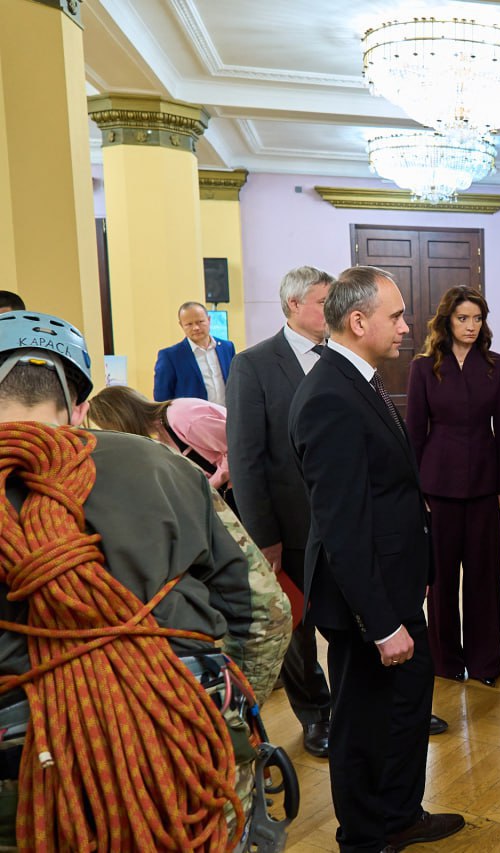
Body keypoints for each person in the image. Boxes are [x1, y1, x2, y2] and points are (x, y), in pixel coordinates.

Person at [0, 310, 289, 847]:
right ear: (83, 408)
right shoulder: (162, 465)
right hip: (188, 739)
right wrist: (224, 700)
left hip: (31, 772)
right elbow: (266, 612)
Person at [289, 266, 462, 852]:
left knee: (407, 708)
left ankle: (400, 815)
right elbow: (342, 526)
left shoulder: (355, 380)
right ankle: (363, 837)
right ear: (358, 321)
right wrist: (382, 622)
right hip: (370, 603)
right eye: (396, 316)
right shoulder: (330, 395)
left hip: (396, 587)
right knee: (363, 725)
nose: (407, 327)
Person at [225, 266, 353, 759]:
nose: (331, 311)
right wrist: (264, 536)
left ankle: (351, 705)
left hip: (342, 520)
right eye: (324, 302)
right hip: (290, 526)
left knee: (346, 618)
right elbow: (246, 456)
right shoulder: (255, 364)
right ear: (293, 305)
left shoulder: (342, 356)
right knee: (297, 631)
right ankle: (315, 714)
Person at [406, 286, 500, 686]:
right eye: (463, 318)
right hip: (437, 485)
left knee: (485, 576)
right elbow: (415, 433)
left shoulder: (497, 365)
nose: (471, 326)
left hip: (486, 483)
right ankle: (445, 661)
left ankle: (487, 663)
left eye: (477, 318)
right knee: (442, 578)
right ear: (447, 322)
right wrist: (416, 491)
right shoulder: (424, 367)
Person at [87, 385, 231, 489]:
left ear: (121, 419)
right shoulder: (160, 433)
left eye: (109, 428)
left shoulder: (182, 418)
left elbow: (238, 449)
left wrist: (211, 486)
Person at [154, 301, 236, 404]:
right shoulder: (170, 356)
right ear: (181, 325)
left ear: (209, 320)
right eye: (189, 324)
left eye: (200, 322)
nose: (196, 328)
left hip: (228, 416)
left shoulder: (227, 348)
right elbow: (162, 398)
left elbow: (236, 383)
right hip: (191, 418)